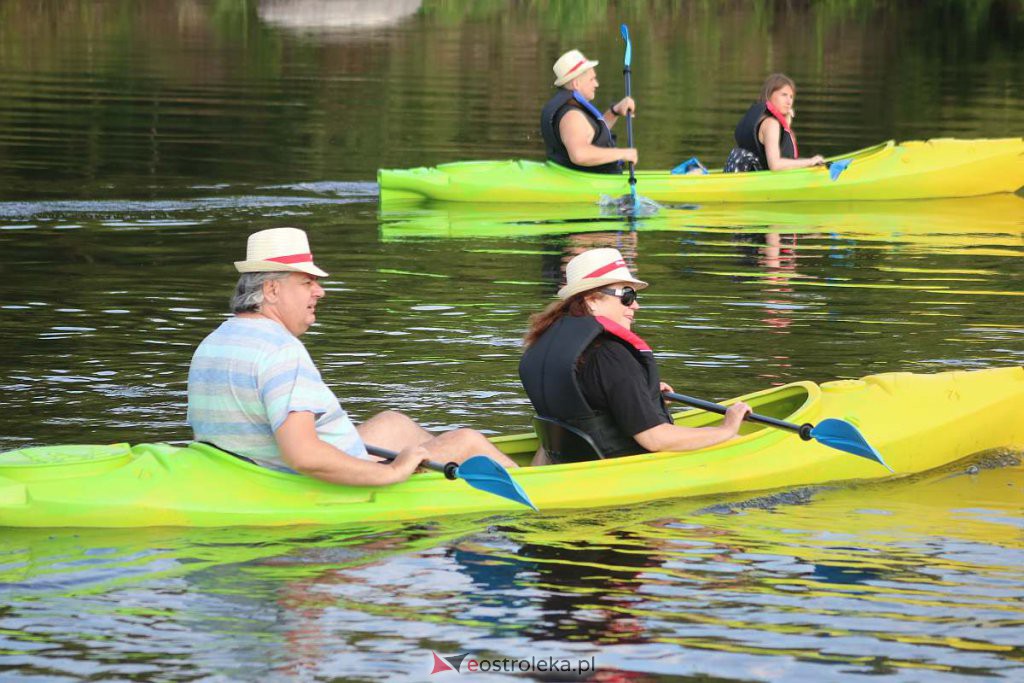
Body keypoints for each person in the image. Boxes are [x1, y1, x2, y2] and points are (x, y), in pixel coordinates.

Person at [187, 227, 518, 486]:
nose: (320, 291)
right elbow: (303, 456)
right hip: (307, 484)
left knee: (394, 423)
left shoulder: (216, 340)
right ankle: (541, 489)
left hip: (256, 468)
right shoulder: (280, 351)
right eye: (307, 282)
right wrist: (392, 473)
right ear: (272, 290)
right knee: (467, 441)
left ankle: (437, 482)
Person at [519, 248, 751, 465]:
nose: (636, 305)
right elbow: (655, 439)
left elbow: (585, 403)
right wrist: (726, 428)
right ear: (591, 299)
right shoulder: (610, 355)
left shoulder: (547, 344)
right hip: (617, 468)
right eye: (627, 295)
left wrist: (643, 393)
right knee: (731, 441)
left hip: (573, 461)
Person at [540, 49, 638, 174]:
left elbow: (593, 135)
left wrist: (615, 111)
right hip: (591, 184)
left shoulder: (570, 108)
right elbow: (579, 154)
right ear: (576, 83)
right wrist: (623, 154)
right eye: (592, 79)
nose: (596, 84)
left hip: (581, 178)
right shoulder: (571, 117)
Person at [724, 73, 825, 172]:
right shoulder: (771, 124)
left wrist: (787, 125)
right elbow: (775, 165)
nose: (789, 102)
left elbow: (783, 153)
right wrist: (810, 162)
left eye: (791, 96)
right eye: (784, 95)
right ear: (769, 95)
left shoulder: (764, 119)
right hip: (754, 182)